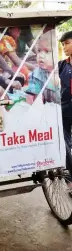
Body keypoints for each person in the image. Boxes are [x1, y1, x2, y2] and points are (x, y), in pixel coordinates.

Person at [25, 29, 60, 105]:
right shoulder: (37, 74)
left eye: (47, 51)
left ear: (59, 52)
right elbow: (33, 97)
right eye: (39, 50)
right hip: (45, 109)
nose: (40, 55)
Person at [59, 31, 72, 189]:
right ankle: (70, 179)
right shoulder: (61, 65)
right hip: (65, 108)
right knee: (64, 143)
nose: (64, 47)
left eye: (67, 43)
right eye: (62, 45)